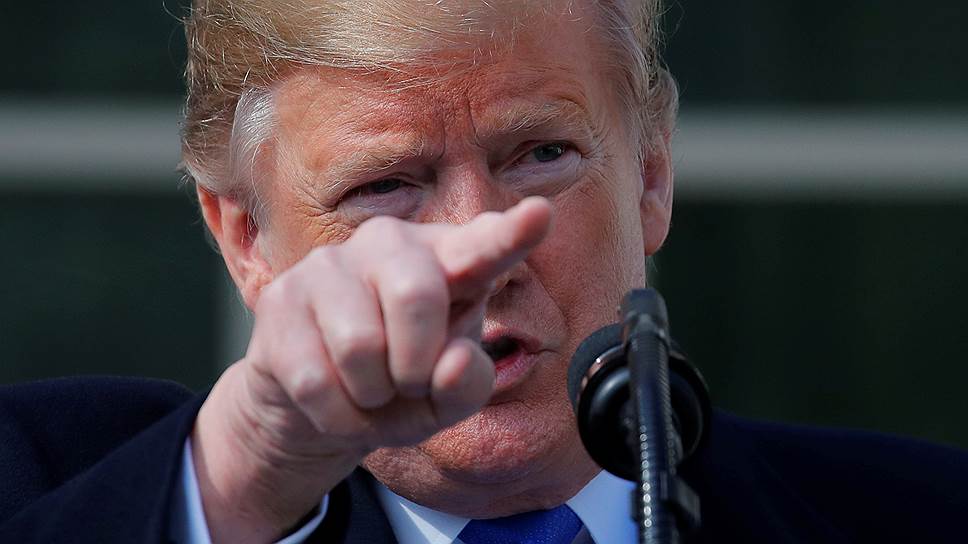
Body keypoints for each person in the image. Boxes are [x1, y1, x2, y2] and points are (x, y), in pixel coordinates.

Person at [2, 1, 968, 543]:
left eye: (541, 155)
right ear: (246, 239)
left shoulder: (921, 517)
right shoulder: (48, 485)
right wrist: (247, 475)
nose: (479, 251)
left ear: (650, 175)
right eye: (384, 186)